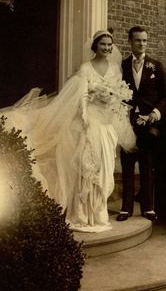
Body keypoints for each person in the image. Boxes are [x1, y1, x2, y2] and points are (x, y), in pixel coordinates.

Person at [2, 30, 135, 233]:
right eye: (103, 45)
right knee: (87, 166)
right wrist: (84, 116)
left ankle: (99, 214)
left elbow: (117, 94)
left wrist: (112, 100)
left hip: (106, 122)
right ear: (95, 46)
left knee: (105, 167)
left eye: (109, 44)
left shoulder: (116, 69)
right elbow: (81, 95)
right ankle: (81, 215)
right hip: (89, 120)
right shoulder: (85, 68)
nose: (107, 48)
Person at [116, 26, 166, 222]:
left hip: (148, 122)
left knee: (147, 164)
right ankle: (126, 208)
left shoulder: (156, 66)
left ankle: (148, 208)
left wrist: (154, 114)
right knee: (127, 165)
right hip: (127, 122)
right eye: (138, 40)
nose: (141, 44)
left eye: (144, 40)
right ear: (130, 41)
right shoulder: (121, 66)